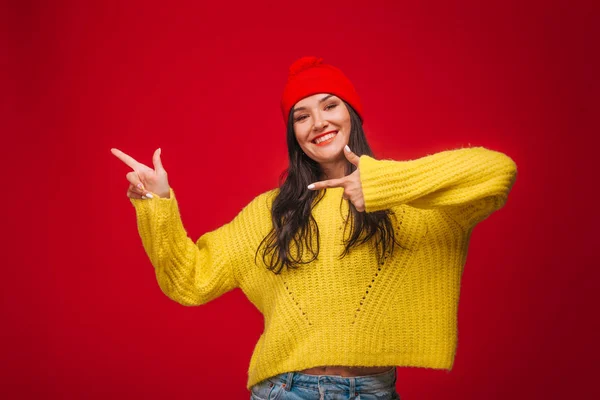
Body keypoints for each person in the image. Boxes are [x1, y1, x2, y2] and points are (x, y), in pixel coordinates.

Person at [111, 56, 517, 400]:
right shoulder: (270, 213)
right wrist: (157, 203)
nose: (317, 123)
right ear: (294, 134)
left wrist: (380, 184)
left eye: (330, 106)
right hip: (288, 390)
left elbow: (497, 172)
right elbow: (190, 280)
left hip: (375, 390)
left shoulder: (411, 198)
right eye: (301, 116)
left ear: (351, 114)